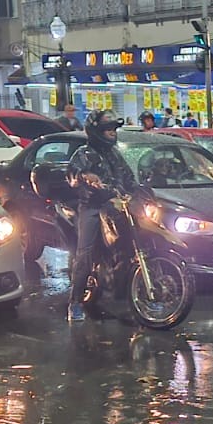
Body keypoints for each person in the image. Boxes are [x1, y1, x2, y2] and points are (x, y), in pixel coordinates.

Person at [64, 110, 139, 323]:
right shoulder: (84, 154)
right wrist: (84, 176)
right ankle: (75, 302)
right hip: (93, 207)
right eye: (108, 129)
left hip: (117, 206)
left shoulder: (115, 155)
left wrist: (141, 190)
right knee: (85, 254)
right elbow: (72, 174)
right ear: (97, 132)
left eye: (114, 129)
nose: (112, 133)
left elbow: (129, 179)